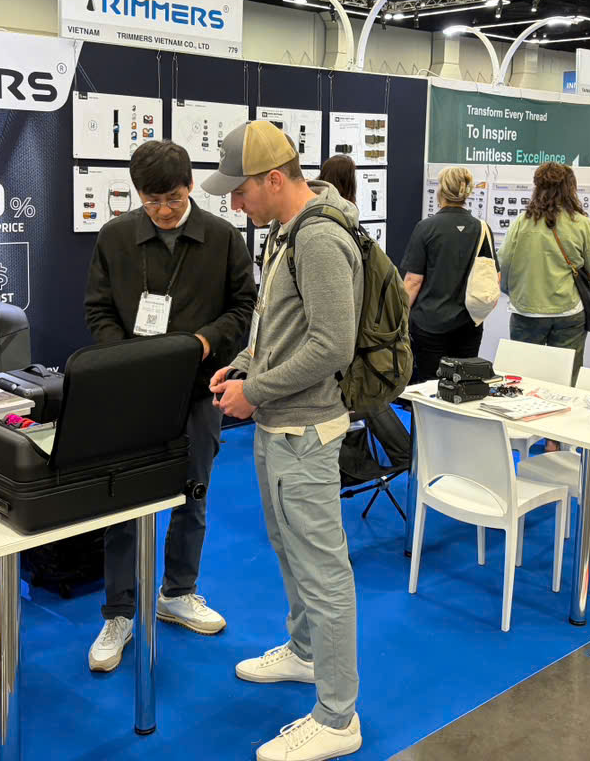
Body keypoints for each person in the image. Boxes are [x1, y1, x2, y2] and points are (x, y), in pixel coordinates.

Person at [204, 119, 364, 761]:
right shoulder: (285, 232)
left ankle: (338, 717)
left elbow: (332, 345)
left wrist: (257, 391)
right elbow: (278, 327)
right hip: (279, 426)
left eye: (240, 191)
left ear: (274, 180)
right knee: (289, 551)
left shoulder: (319, 238)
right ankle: (304, 653)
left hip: (307, 430)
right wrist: (245, 366)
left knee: (323, 572)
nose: (234, 203)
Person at [83, 140, 256, 673]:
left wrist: (205, 342)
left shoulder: (222, 238)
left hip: (198, 389)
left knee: (193, 494)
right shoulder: (115, 237)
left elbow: (243, 307)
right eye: (152, 200)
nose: (162, 210)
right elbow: (97, 309)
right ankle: (119, 612)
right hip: (130, 393)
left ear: (190, 187)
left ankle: (178, 592)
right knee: (122, 505)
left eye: (173, 199)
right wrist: (127, 358)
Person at [497, 162, 590, 383]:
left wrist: (511, 291)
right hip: (568, 311)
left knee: (522, 379)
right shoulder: (581, 223)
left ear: (538, 187)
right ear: (570, 188)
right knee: (565, 379)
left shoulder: (522, 222)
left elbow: (504, 262)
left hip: (527, 312)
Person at [401, 165, 493, 382]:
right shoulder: (482, 229)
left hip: (429, 324)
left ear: (441, 191)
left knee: (429, 386)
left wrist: (399, 316)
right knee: (465, 385)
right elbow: (492, 276)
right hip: (469, 324)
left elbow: (413, 281)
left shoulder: (426, 228)